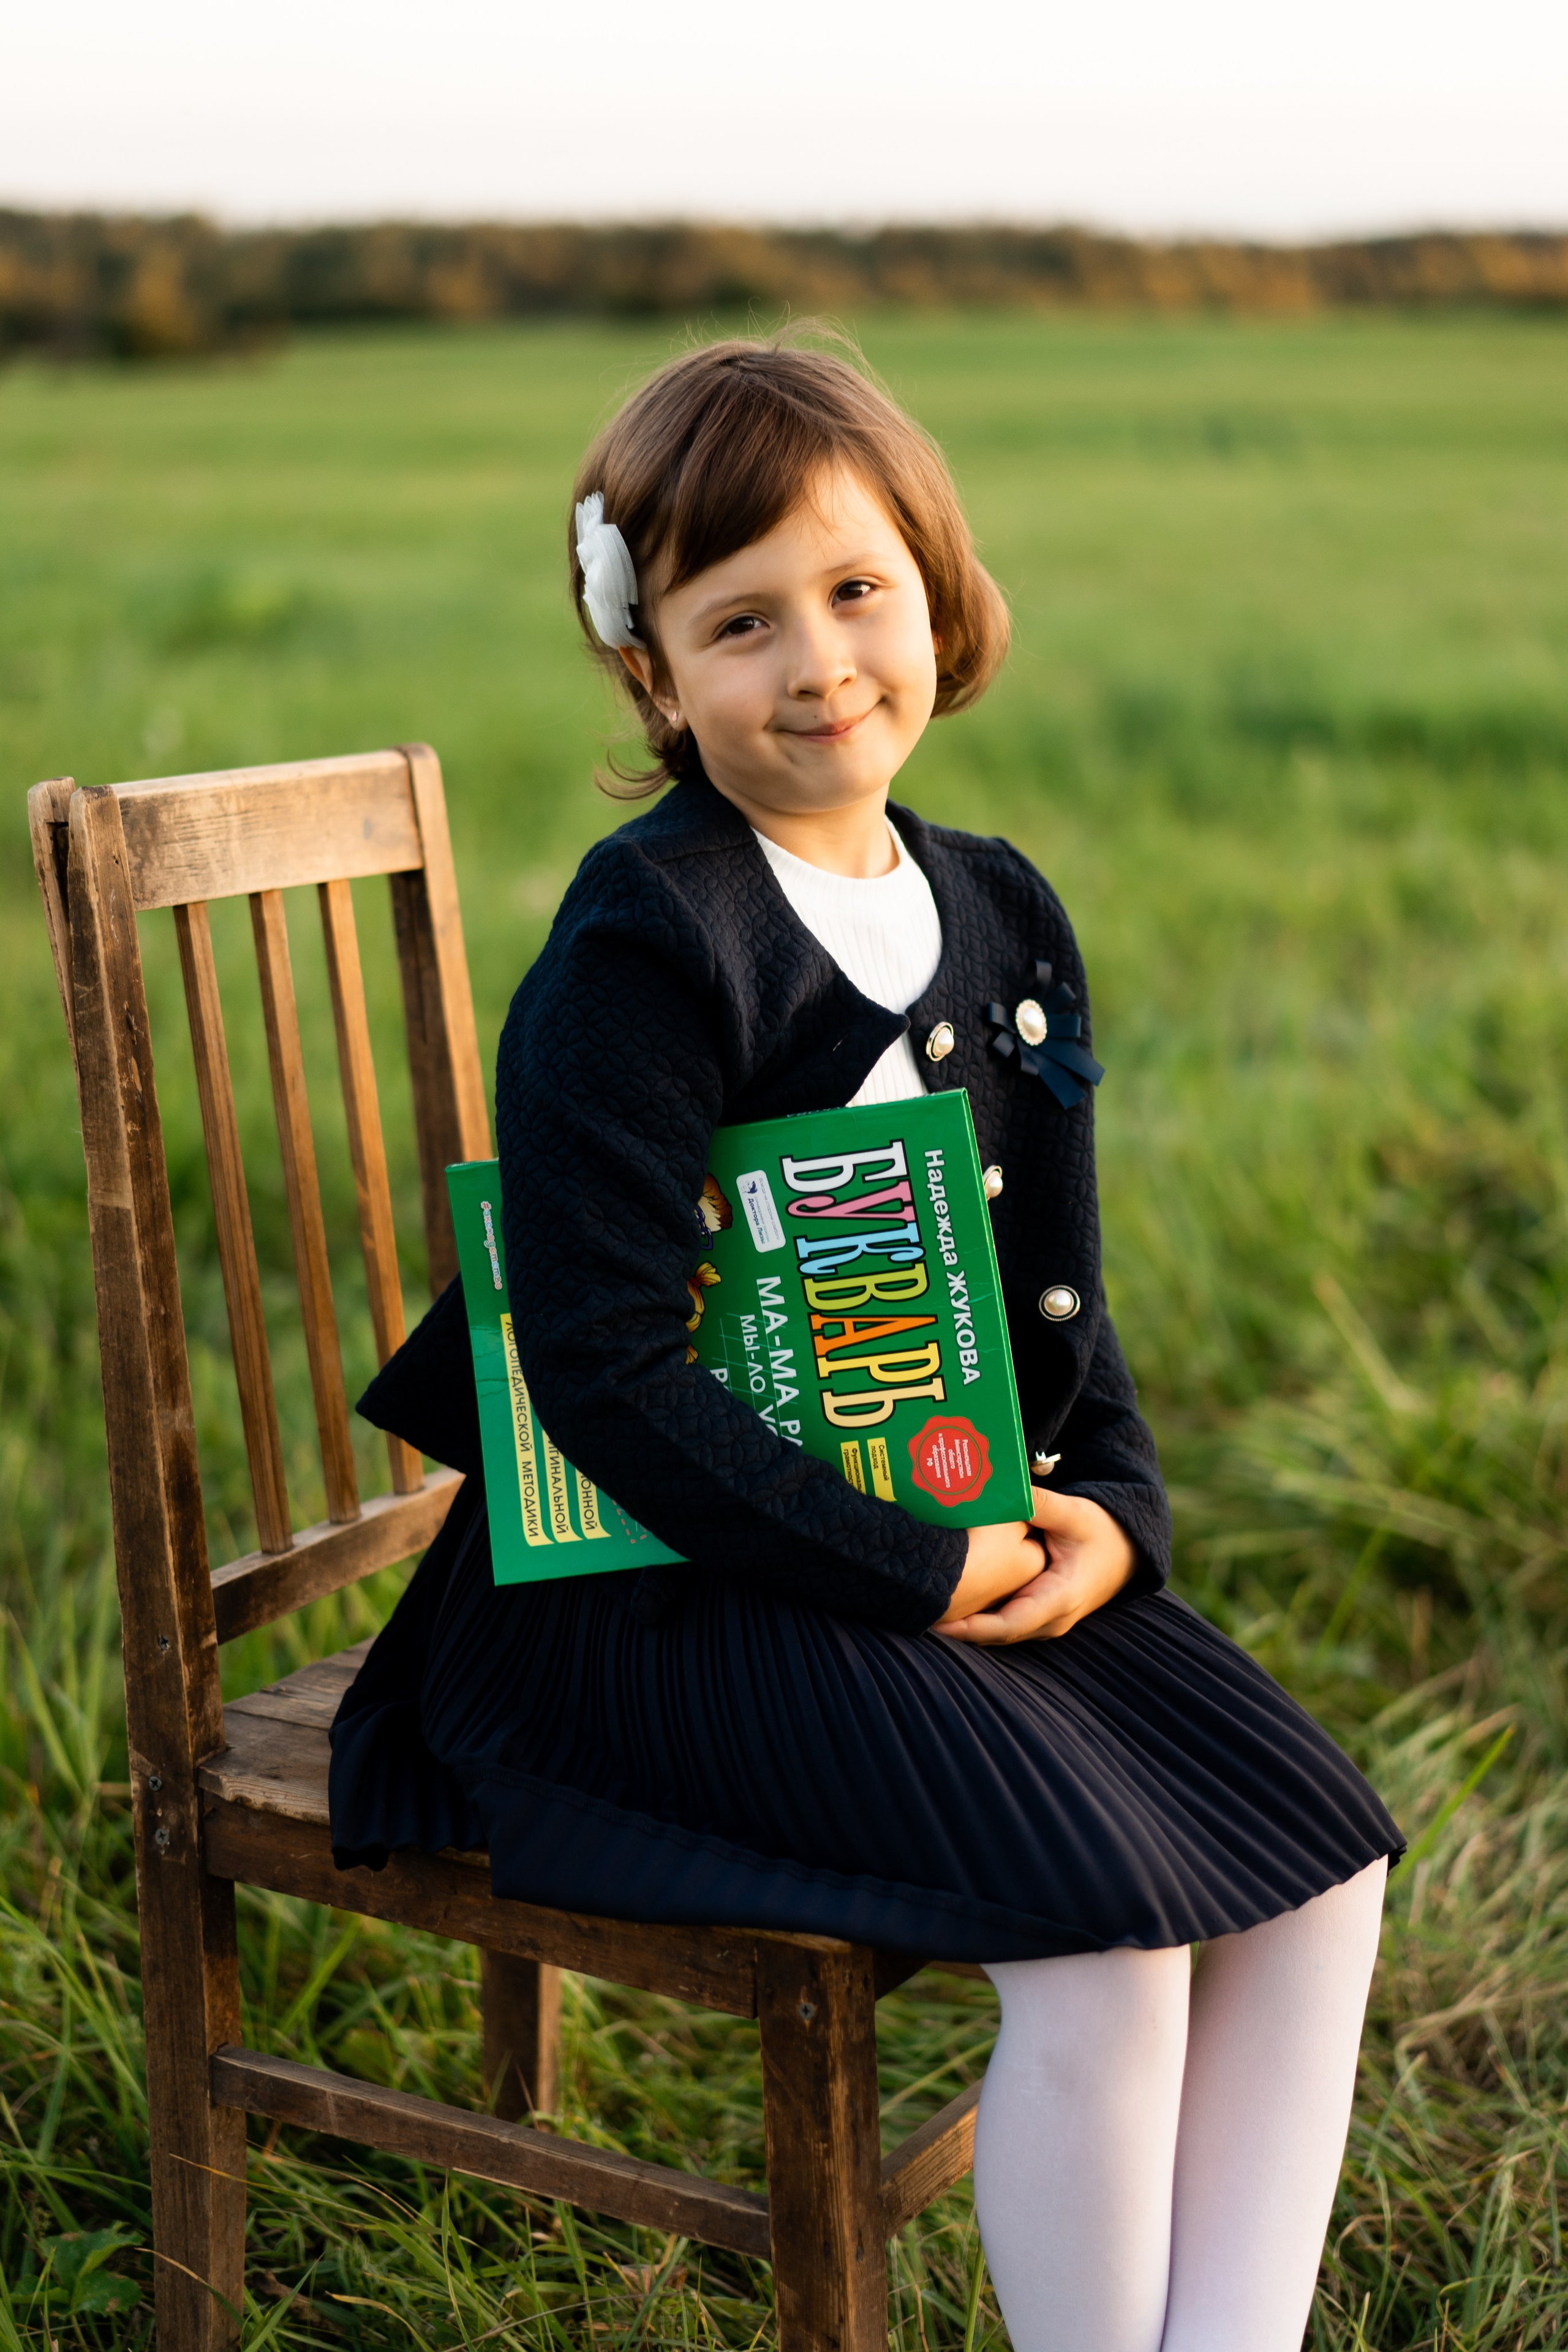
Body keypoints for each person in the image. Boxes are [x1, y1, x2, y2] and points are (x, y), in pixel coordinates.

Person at [330, 333, 1402, 2352]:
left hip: (931, 1528)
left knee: (1316, 1872)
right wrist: (913, 1569)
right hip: (637, 1596)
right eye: (738, 622)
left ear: (941, 595)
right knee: (1109, 1941)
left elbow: (1053, 1297)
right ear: (653, 674)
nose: (816, 660)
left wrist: (1118, 1518)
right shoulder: (652, 943)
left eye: (856, 592)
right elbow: (600, 1371)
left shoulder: (995, 910)